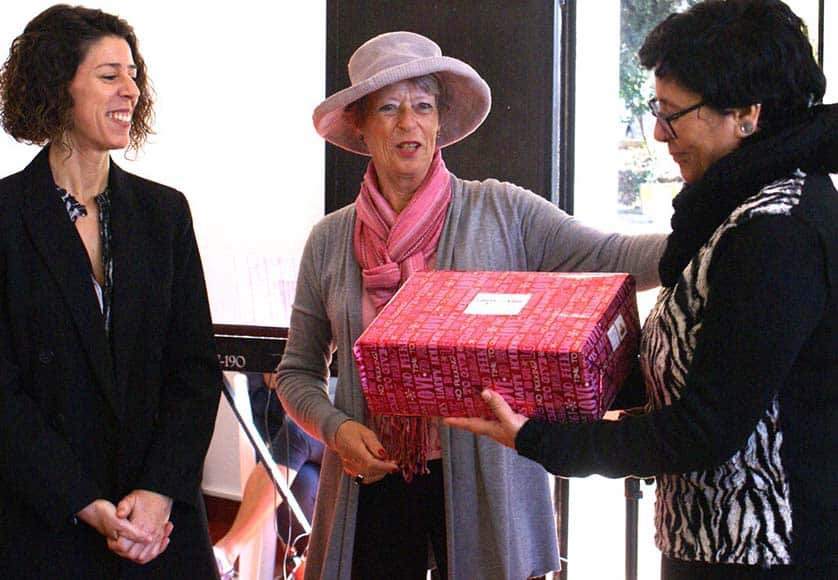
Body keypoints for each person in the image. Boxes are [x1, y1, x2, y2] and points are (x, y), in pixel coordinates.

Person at [446, 1, 838, 579]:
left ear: (747, 113)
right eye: (656, 109)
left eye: (673, 114)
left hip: (765, 553)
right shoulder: (732, 209)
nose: (658, 132)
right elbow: (684, 369)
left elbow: (702, 429)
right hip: (715, 543)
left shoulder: (776, 231)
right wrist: (532, 380)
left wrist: (546, 441)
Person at [275, 30, 666, 580]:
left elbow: (612, 254)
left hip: (488, 480)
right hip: (372, 480)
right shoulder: (330, 240)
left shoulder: (502, 210)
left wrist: (710, 232)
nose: (408, 122)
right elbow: (297, 372)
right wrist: (338, 430)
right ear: (361, 126)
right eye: (388, 107)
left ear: (439, 121)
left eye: (423, 105)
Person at [0, 5, 222, 578]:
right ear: (57, 87)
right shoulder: (4, 217)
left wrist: (159, 492)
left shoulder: (164, 212)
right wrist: (84, 502)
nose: (132, 89)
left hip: (162, 529)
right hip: (46, 524)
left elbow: (194, 370)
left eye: (133, 74)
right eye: (109, 76)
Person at [213, 373, 324, 580]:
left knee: (296, 429)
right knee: (302, 482)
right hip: (293, 460)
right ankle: (303, 568)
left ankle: (226, 552)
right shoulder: (254, 371)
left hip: (342, 431)